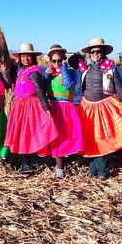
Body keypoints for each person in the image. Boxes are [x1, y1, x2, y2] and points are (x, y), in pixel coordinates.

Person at [70, 38, 122, 179]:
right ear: (89, 53)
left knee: (101, 139)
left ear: (103, 52)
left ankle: (103, 171)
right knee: (89, 139)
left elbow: (119, 89)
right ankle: (93, 169)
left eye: (98, 51)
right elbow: (71, 61)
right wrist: (81, 52)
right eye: (93, 51)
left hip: (103, 107)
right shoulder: (85, 66)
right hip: (86, 107)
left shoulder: (110, 67)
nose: (96, 54)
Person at [4, 43, 59, 172]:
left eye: (28, 56)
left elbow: (40, 91)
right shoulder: (22, 70)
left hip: (28, 107)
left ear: (33, 57)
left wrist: (46, 108)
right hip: (19, 106)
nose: (25, 59)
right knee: (21, 133)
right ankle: (25, 162)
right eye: (23, 56)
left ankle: (27, 163)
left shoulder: (34, 71)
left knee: (25, 134)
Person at [42, 44, 85, 178]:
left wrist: (64, 67)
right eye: (53, 61)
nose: (56, 64)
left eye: (59, 60)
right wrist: (46, 76)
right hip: (54, 107)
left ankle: (69, 158)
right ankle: (59, 167)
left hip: (67, 108)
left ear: (63, 60)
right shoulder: (49, 74)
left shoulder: (71, 72)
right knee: (56, 138)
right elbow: (42, 89)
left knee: (70, 136)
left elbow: (68, 84)